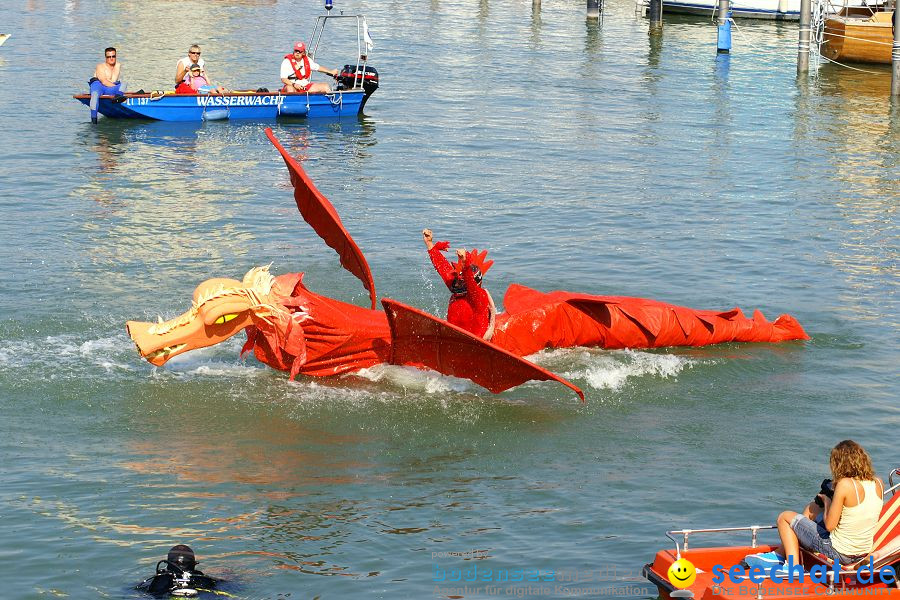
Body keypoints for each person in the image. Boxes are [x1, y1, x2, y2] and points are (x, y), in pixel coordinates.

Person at [749, 440, 884, 576]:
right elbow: (859, 513)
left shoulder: (845, 484)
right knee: (812, 508)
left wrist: (827, 502)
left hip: (839, 553)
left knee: (784, 517)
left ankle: (793, 567)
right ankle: (780, 553)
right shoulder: (878, 482)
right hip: (862, 552)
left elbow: (830, 525)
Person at [423, 228, 496, 340]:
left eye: (461, 281)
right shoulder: (457, 289)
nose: (457, 283)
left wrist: (465, 261)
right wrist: (429, 244)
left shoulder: (478, 296)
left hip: (476, 344)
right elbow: (443, 269)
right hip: (456, 342)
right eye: (458, 280)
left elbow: (470, 282)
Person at [88, 47, 126, 124]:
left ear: (116, 56)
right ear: (105, 57)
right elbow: (104, 81)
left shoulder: (117, 65)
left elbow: (114, 80)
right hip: (98, 85)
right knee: (95, 96)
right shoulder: (100, 66)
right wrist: (115, 87)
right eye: (109, 57)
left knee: (124, 84)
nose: (111, 58)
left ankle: (117, 97)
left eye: (113, 56)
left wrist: (116, 89)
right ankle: (94, 122)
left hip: (109, 87)